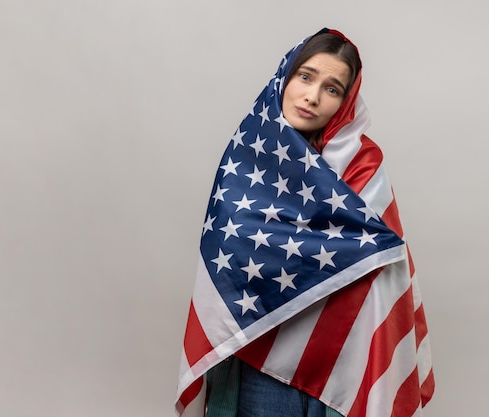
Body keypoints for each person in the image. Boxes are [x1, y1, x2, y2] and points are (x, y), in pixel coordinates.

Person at [176, 29, 434, 417]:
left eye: (333, 89)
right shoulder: (248, 156)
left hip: (340, 355)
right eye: (306, 77)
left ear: (346, 102)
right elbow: (230, 253)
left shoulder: (362, 164)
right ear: (286, 76)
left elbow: (385, 268)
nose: (313, 97)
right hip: (262, 347)